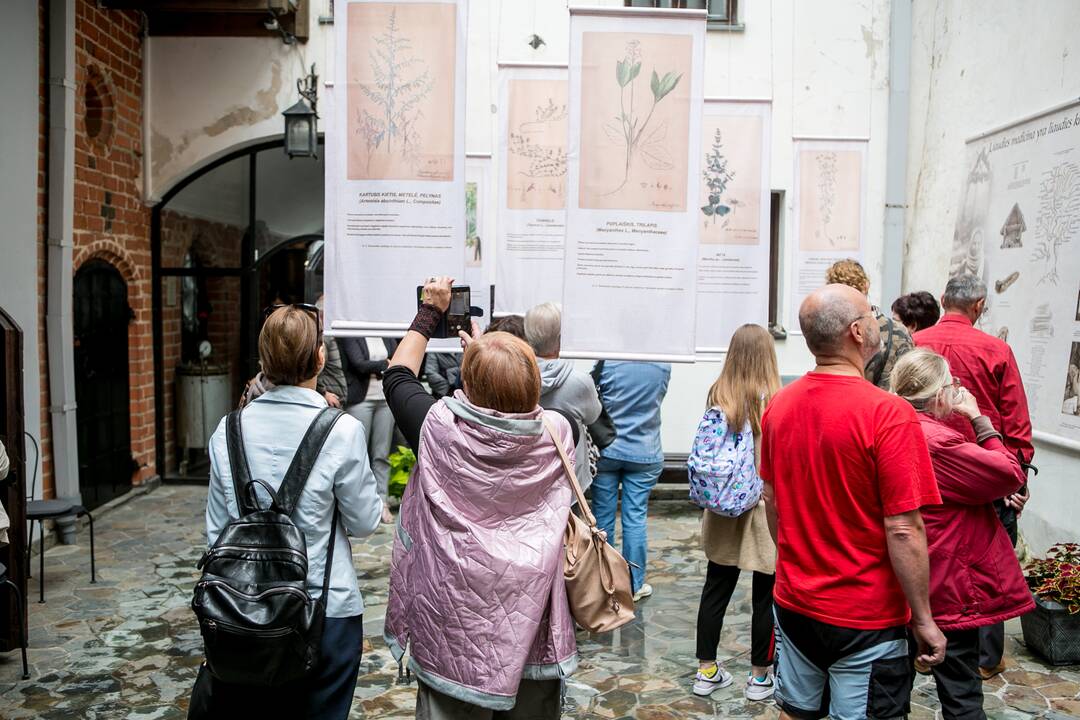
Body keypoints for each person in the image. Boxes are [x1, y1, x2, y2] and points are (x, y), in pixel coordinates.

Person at [382, 276, 577, 719]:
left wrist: (430, 312)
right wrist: (493, 363)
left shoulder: (438, 428)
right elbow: (517, 409)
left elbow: (397, 376)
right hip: (531, 621)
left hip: (455, 623)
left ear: (467, 382)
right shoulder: (558, 432)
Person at [760, 284, 946, 720]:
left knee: (796, 712)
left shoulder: (779, 407)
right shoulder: (888, 413)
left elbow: (772, 500)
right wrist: (923, 618)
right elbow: (903, 526)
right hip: (866, 614)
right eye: (872, 313)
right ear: (858, 331)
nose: (879, 320)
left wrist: (797, 562)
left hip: (795, 602)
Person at [203, 305, 383, 719]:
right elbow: (364, 521)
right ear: (320, 358)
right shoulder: (341, 430)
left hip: (239, 612)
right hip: (324, 609)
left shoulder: (227, 429)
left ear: (263, 360)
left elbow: (215, 535)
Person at [891, 348, 1033, 719]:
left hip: (898, 580)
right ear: (940, 395)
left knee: (890, 694)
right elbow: (1009, 473)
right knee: (961, 694)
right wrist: (977, 417)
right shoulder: (938, 440)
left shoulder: (889, 426)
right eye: (952, 386)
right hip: (944, 581)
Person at [913, 273, 1033, 679]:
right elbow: (1016, 423)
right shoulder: (997, 350)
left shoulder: (916, 344)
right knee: (990, 564)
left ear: (944, 299)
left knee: (926, 555)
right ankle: (985, 658)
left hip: (924, 470)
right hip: (984, 470)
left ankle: (926, 640)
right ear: (980, 305)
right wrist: (1018, 481)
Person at [692, 324, 779, 701]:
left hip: (723, 508)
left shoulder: (718, 394)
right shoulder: (775, 399)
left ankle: (706, 671)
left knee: (715, 588)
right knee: (766, 595)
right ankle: (759, 678)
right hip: (761, 509)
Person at [593, 360, 671, 602]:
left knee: (602, 518)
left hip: (608, 448)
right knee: (635, 518)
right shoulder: (663, 366)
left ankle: (603, 582)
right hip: (645, 451)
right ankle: (634, 585)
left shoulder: (608, 363)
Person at [525, 302, 602, 492]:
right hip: (570, 479)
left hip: (528, 476)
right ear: (562, 338)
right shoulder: (580, 381)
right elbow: (593, 416)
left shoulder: (516, 378)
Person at [825, 258, 913, 390]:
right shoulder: (898, 332)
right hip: (887, 407)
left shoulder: (828, 332)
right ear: (866, 285)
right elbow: (910, 379)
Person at [339, 334, 400, 525]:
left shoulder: (385, 331)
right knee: (357, 455)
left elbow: (397, 358)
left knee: (381, 454)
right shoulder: (352, 331)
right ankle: (356, 508)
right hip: (360, 401)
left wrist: (384, 364)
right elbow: (358, 363)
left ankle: (382, 503)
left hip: (385, 399)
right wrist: (384, 364)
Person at [315, 295, 348, 408]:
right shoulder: (322, 336)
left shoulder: (327, 334)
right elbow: (314, 368)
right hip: (329, 401)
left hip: (333, 399)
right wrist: (323, 393)